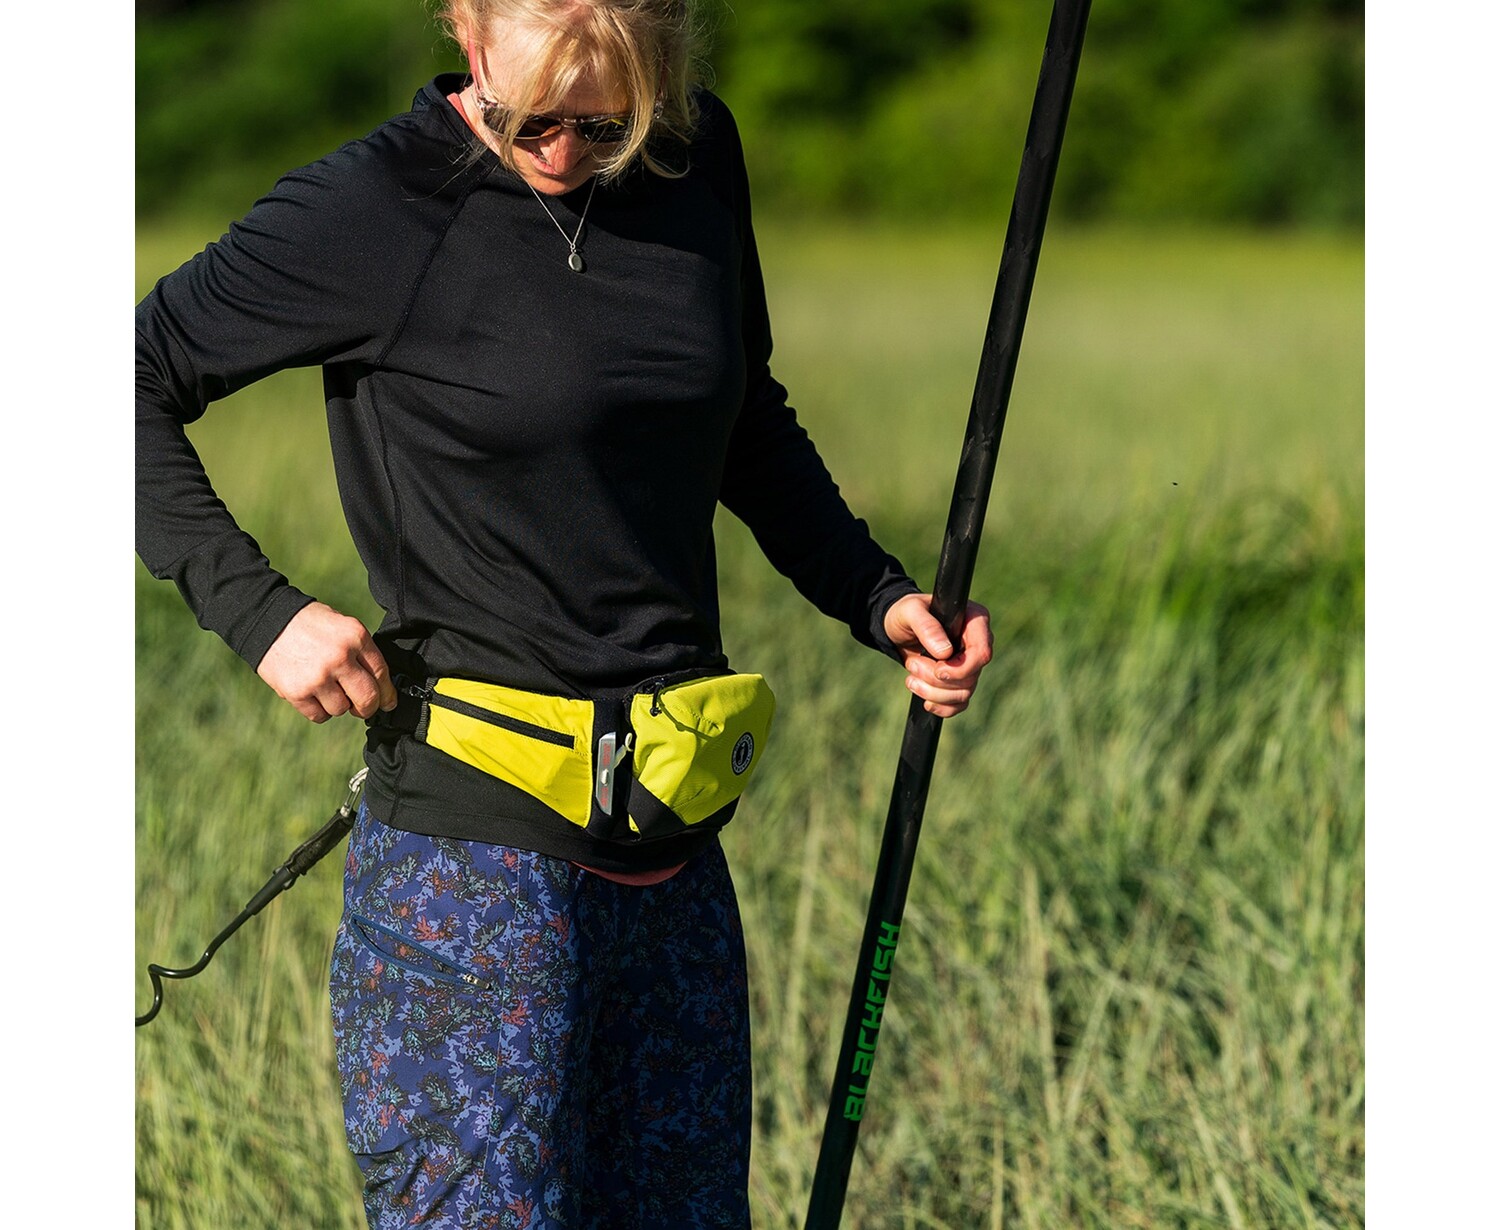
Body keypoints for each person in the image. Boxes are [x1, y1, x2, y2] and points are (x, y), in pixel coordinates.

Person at [136, 1, 993, 1225]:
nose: (563, 153)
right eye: (525, 120)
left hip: (673, 848)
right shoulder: (377, 208)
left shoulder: (695, 157)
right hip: (472, 871)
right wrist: (259, 612)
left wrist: (876, 593)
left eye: (607, 124)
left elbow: (738, 413)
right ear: (465, 29)